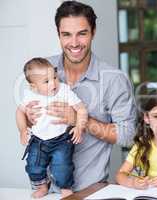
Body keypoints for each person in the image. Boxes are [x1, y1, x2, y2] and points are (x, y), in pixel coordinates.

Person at [24, 1, 136, 192]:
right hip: (46, 192)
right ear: (58, 33)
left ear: (93, 31)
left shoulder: (114, 80)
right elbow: (28, 120)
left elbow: (128, 136)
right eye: (66, 34)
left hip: (90, 191)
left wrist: (79, 120)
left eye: (82, 33)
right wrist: (27, 117)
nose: (74, 43)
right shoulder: (43, 69)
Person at [16, 57, 88, 198]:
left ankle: (65, 187)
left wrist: (79, 127)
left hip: (61, 140)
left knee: (62, 166)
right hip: (38, 140)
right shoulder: (29, 95)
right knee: (33, 166)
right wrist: (23, 130)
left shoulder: (64, 91)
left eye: (54, 77)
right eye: (46, 81)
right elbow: (19, 112)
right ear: (34, 86)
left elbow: (81, 109)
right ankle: (43, 186)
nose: (54, 83)